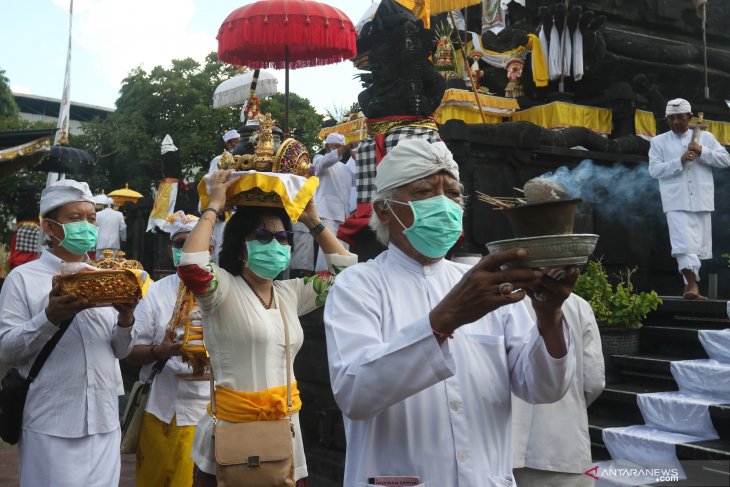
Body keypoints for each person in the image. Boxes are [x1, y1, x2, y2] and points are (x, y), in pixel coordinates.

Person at [323, 139, 578, 487]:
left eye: (453, 194)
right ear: (384, 210)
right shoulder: (358, 285)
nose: (443, 204)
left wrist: (549, 316)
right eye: (425, 192)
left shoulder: (484, 282)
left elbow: (543, 389)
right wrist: (444, 321)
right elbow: (355, 393)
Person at [177, 169, 357, 486]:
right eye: (262, 237)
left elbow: (348, 276)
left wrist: (312, 221)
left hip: (286, 436)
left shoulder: (291, 293)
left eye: (281, 238)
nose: (274, 244)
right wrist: (214, 206)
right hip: (231, 438)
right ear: (239, 245)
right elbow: (192, 264)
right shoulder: (221, 289)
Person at [0, 179, 137, 487]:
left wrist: (127, 317)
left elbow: (121, 351)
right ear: (50, 227)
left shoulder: (108, 278)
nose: (86, 226)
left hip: (103, 420)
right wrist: (49, 318)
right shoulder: (23, 278)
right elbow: (6, 351)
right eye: (74, 218)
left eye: (91, 218)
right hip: (51, 422)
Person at [126, 211, 211, 487]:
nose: (186, 249)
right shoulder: (154, 292)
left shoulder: (222, 291)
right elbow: (130, 352)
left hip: (206, 413)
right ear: (170, 249)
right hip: (160, 408)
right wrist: (159, 352)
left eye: (192, 243)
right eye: (179, 244)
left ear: (208, 249)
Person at [512, 293, 605, 487]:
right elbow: (594, 381)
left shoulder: (499, 300)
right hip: (562, 447)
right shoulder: (578, 305)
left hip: (503, 450)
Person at [648, 98, 730, 299]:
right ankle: (693, 285)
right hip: (676, 201)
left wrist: (702, 151)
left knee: (697, 247)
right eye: (671, 118)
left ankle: (690, 287)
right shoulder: (658, 142)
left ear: (690, 117)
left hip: (701, 199)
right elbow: (654, 170)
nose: (675, 122)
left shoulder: (706, 138)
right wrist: (679, 161)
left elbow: (725, 160)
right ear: (666, 119)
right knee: (682, 244)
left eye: (680, 117)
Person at [311, 133, 359, 272]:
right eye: (337, 147)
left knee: (344, 253)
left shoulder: (345, 168)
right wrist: (345, 148)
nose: (340, 149)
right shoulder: (319, 159)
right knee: (327, 253)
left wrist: (356, 160)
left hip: (343, 216)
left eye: (341, 146)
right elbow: (327, 161)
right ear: (326, 146)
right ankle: (322, 282)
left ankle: (342, 280)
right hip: (326, 214)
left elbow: (359, 181)